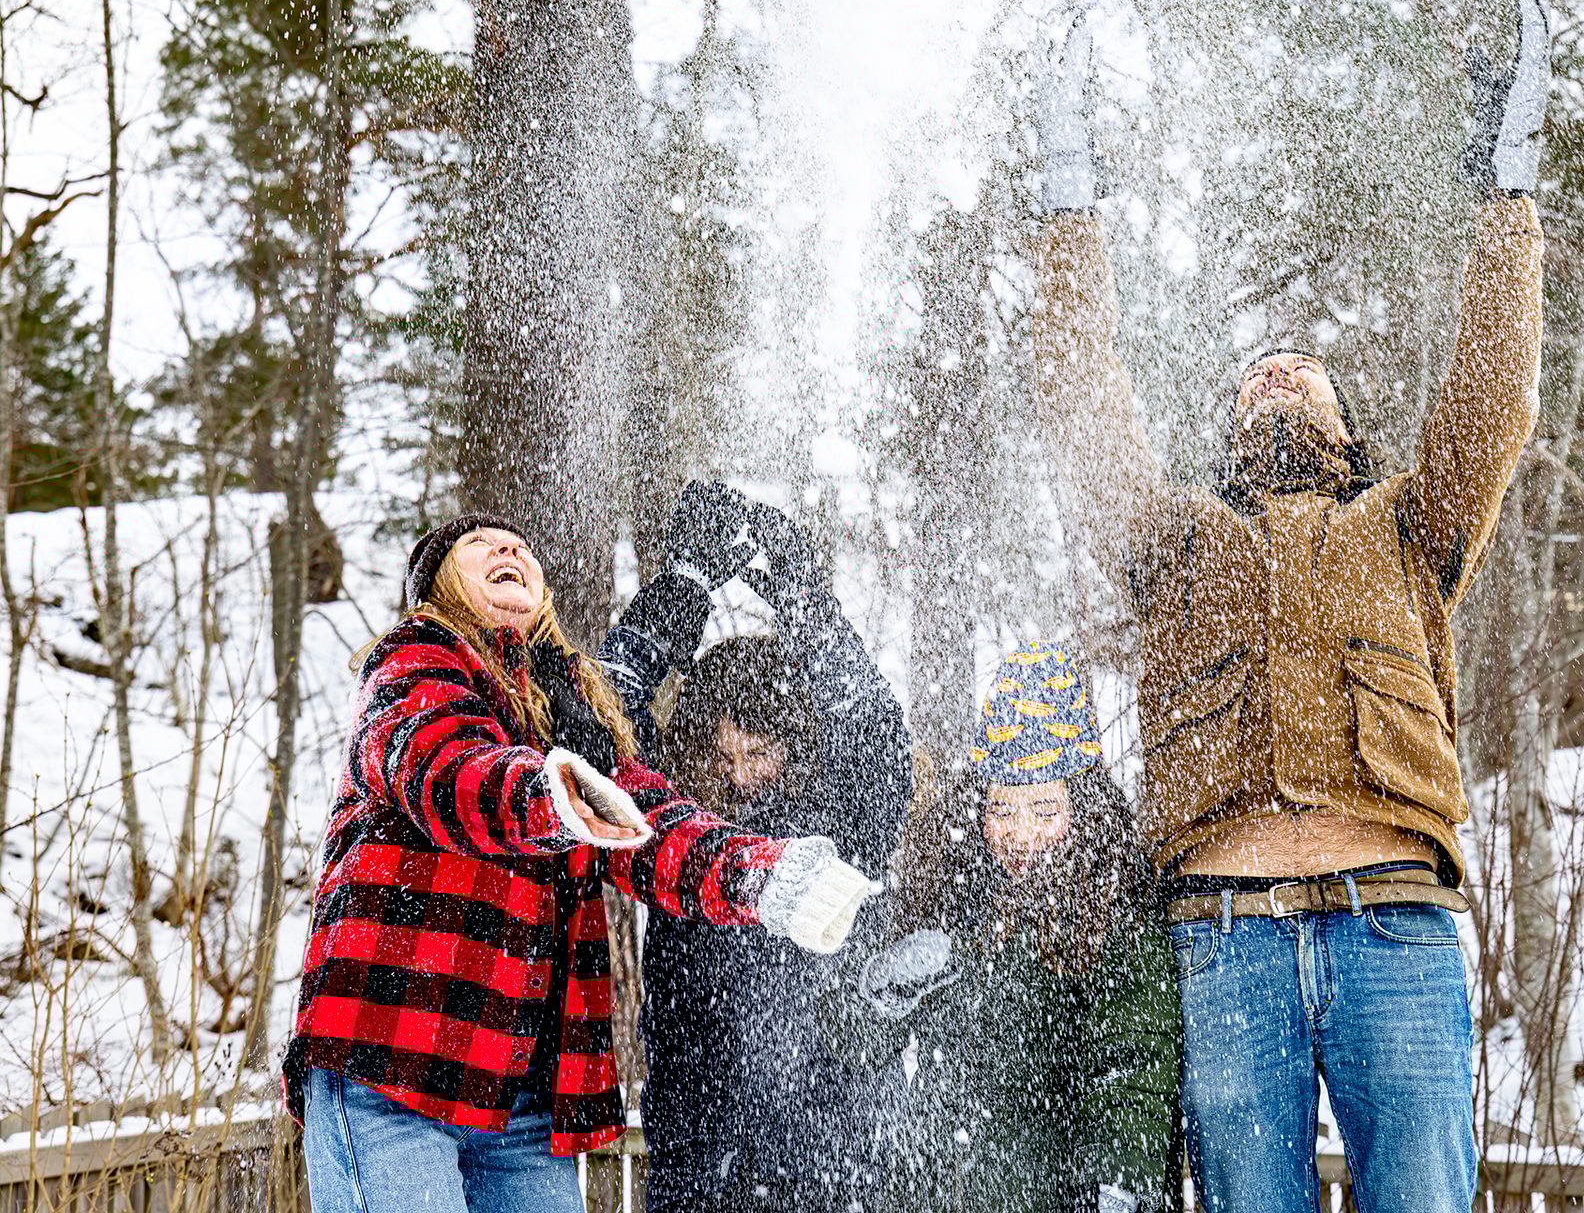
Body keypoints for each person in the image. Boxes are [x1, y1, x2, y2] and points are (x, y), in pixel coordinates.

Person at [1024, 0, 1552, 1213]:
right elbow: (1083, 412)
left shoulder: (1411, 525)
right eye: (1258, 374)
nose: (1278, 375)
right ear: (1227, 435)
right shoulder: (1177, 542)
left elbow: (1492, 393)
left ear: (1347, 429)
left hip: (1396, 927)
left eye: (1303, 372)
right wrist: (1069, 205)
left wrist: (1506, 194)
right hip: (1227, 933)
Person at [285, 514, 877, 1213]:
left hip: (521, 1093)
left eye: (519, 547)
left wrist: (762, 875)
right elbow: (451, 774)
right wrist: (551, 792)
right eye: (479, 548)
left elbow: (649, 825)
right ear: (438, 589)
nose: (507, 549)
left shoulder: (569, 709)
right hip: (394, 1058)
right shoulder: (416, 666)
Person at [596, 483, 912, 1212]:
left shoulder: (842, 815)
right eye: (722, 756)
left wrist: (806, 604)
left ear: (796, 744)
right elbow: (601, 719)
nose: (739, 776)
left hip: (830, 1151)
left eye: (760, 754)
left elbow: (877, 733)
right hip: (697, 1148)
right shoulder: (676, 826)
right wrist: (682, 591)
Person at [829, 643, 1181, 1213]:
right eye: (1001, 809)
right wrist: (878, 993)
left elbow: (1134, 1064)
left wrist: (1123, 1184)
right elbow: (847, 1053)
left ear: (1084, 810)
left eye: (1044, 810)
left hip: (1053, 1192)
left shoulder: (1116, 917)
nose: (1020, 833)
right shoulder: (946, 902)